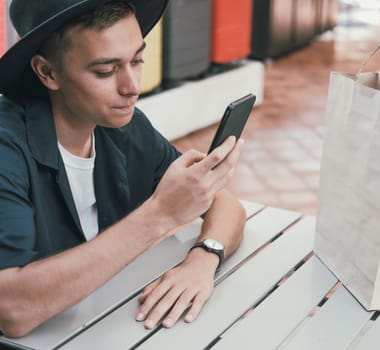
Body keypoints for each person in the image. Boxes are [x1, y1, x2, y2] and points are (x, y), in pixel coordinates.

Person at [0, 0, 246, 338]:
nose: (132, 87)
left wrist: (204, 258)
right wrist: (160, 215)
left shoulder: (123, 128)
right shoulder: (6, 147)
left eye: (137, 60)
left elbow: (224, 203)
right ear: (47, 72)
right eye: (105, 70)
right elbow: (12, 310)